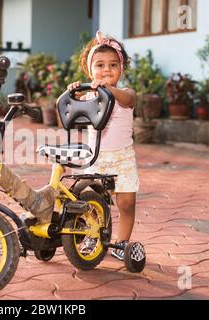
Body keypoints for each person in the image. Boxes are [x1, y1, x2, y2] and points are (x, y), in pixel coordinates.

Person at [68, 31, 139, 261]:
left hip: (123, 158)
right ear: (90, 71)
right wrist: (75, 94)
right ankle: (93, 237)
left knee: (126, 203)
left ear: (121, 69)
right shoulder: (89, 96)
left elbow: (128, 100)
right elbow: (70, 119)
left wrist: (108, 90)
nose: (107, 70)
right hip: (96, 158)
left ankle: (122, 243)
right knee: (93, 203)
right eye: (100, 65)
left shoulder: (125, 93)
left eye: (113, 65)